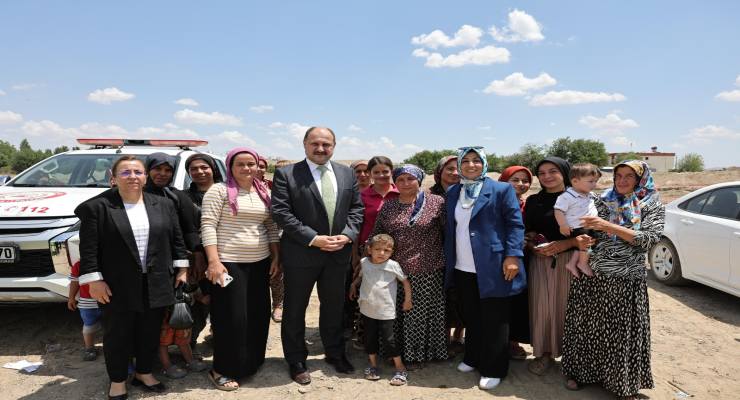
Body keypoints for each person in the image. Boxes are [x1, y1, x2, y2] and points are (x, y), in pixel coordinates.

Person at [75, 155, 189, 399]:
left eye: (138, 172)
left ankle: (144, 372)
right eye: (125, 172)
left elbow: (176, 238)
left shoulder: (163, 204)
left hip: (157, 280)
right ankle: (117, 381)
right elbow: (88, 249)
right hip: (115, 284)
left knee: (149, 330)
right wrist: (94, 280)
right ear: (113, 178)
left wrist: (182, 268)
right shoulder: (96, 207)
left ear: (145, 177)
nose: (132, 177)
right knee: (118, 334)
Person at [562, 161, 664, 399]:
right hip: (592, 276)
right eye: (618, 175)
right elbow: (581, 225)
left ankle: (622, 384)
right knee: (587, 327)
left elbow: (649, 239)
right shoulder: (601, 200)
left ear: (640, 179)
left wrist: (609, 226)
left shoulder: (651, 204)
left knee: (621, 333)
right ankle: (581, 373)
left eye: (629, 176)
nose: (622, 180)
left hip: (626, 278)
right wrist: (581, 238)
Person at [271, 127, 364, 384]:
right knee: (295, 308)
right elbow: (281, 212)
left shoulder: (346, 173)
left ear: (334, 146)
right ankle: (296, 360)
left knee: (334, 307)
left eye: (326, 144)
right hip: (301, 253)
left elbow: (356, 209)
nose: (321, 148)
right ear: (304, 144)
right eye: (315, 143)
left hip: (337, 253)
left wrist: (347, 235)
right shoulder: (287, 174)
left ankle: (335, 353)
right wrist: (313, 239)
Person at [443, 147, 525, 390]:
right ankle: (473, 357)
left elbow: (515, 224)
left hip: (494, 264)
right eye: (466, 161)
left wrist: (512, 255)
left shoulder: (501, 189)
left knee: (495, 319)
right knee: (472, 316)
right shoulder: (454, 191)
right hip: (462, 265)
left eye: (476, 160)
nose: (471, 165)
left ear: (484, 164)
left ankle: (494, 368)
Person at [201, 147, 281, 391]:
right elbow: (208, 225)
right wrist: (214, 261)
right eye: (241, 164)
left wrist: (276, 257)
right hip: (228, 264)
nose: (247, 168)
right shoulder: (218, 190)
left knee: (257, 316)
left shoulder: (263, 192)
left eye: (251, 164)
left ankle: (250, 363)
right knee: (231, 318)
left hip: (259, 263)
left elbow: (270, 226)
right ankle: (221, 369)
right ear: (230, 167)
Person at [371, 164, 448, 368]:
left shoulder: (437, 202)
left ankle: (418, 355)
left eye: (410, 179)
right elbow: (377, 234)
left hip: (428, 269)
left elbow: (448, 233)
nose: (405, 183)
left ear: (419, 180)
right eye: (400, 179)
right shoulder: (388, 206)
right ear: (395, 183)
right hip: (395, 271)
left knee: (419, 315)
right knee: (395, 314)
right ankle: (395, 353)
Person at [523, 157, 586, 376]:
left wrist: (564, 244)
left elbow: (592, 234)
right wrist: (532, 245)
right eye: (541, 173)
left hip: (571, 262)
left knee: (570, 310)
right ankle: (544, 354)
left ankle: (573, 358)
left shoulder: (580, 199)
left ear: (565, 172)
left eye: (553, 171)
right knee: (542, 309)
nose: (547, 176)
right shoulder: (534, 201)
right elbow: (528, 230)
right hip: (540, 262)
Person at [349, 233, 412, 386]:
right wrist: (353, 285)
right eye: (377, 249)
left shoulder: (393, 265)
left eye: (387, 250)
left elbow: (405, 282)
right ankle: (372, 365)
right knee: (369, 338)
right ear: (369, 249)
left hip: (386, 311)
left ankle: (400, 367)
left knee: (389, 339)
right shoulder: (364, 262)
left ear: (392, 252)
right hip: (367, 308)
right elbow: (361, 276)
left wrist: (408, 300)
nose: (382, 253)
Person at [184, 153, 224, 349]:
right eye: (193, 169)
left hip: (225, 257)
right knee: (199, 302)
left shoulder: (228, 192)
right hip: (196, 259)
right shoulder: (183, 197)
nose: (199, 172)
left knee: (224, 299)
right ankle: (188, 344)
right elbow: (184, 228)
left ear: (213, 169)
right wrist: (197, 253)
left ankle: (220, 337)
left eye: (204, 167)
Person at [429, 155, 465, 354]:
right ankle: (443, 337)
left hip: (463, 251)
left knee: (461, 294)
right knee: (442, 295)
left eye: (458, 168)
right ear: (440, 171)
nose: (454, 172)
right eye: (449, 168)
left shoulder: (468, 193)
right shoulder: (429, 195)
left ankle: (459, 335)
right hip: (437, 250)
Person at [498, 165, 533, 360]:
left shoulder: (529, 205)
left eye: (525, 181)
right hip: (500, 258)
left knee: (518, 301)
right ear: (504, 181)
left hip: (525, 258)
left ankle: (513, 341)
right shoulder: (494, 203)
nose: (521, 184)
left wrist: (531, 237)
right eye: (515, 180)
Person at [144, 153, 200, 253]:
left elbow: (190, 230)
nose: (162, 173)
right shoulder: (134, 195)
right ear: (147, 170)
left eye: (168, 170)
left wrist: (197, 253)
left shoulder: (176, 197)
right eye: (157, 169)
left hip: (171, 254)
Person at [553, 163, 601, 278]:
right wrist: (563, 225)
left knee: (585, 244)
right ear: (575, 181)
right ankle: (582, 263)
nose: (594, 184)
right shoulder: (566, 196)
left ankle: (572, 263)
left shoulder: (589, 194)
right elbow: (558, 210)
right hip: (578, 227)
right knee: (587, 242)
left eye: (595, 181)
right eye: (591, 181)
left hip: (589, 226)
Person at [157, 302, 208, 378]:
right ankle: (167, 365)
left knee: (183, 334)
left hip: (181, 305)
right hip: (163, 306)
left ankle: (190, 360)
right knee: (163, 339)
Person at [269, 159, 292, 322]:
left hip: (289, 239)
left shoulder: (298, 190)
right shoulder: (264, 190)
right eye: (278, 171)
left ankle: (279, 305)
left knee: (281, 274)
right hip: (268, 238)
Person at [67, 261, 102, 361]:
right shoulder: (79, 265)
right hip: (87, 303)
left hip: (108, 302)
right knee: (89, 326)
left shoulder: (109, 261)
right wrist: (71, 298)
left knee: (111, 326)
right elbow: (74, 282)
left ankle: (112, 346)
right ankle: (89, 348)